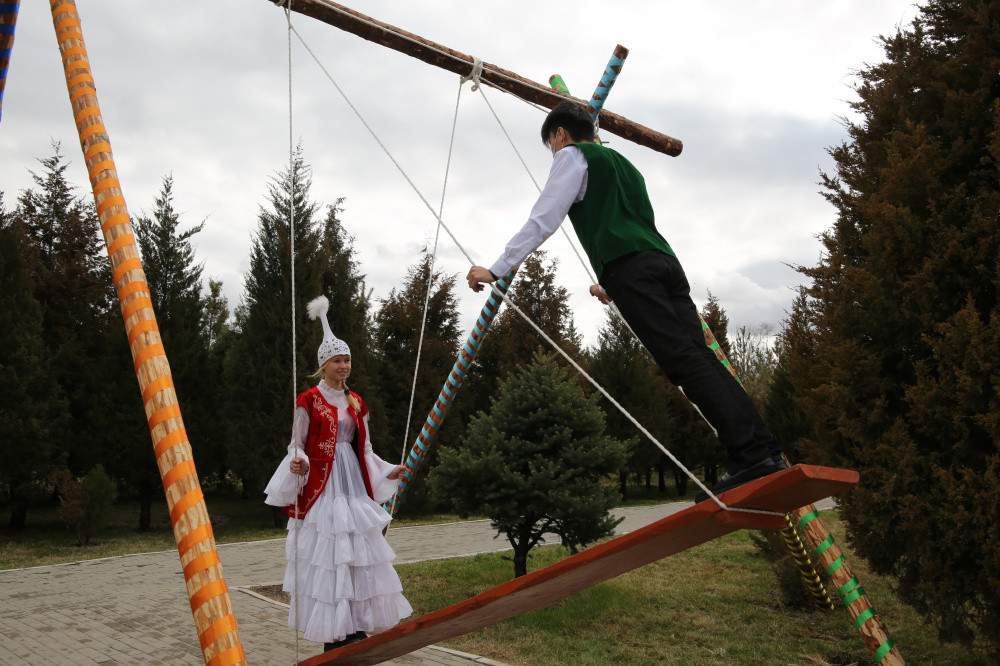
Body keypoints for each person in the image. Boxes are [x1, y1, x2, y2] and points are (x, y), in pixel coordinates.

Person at [466, 101, 787, 502]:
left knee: (683, 361)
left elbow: (543, 218)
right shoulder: (623, 163)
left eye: (550, 143)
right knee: (702, 356)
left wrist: (496, 268)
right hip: (663, 262)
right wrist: (617, 284)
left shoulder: (571, 156)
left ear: (559, 134)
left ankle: (751, 456)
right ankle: (766, 452)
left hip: (631, 268)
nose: (553, 151)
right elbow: (632, 220)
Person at [264, 295, 412, 653]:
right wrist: (299, 462)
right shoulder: (309, 400)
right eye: (337, 361)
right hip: (323, 486)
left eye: (347, 359)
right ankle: (335, 632)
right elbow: (296, 444)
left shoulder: (356, 402)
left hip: (352, 484)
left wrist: (390, 469)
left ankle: (356, 625)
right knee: (331, 555)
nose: (343, 366)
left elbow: (364, 449)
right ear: (324, 365)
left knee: (359, 553)